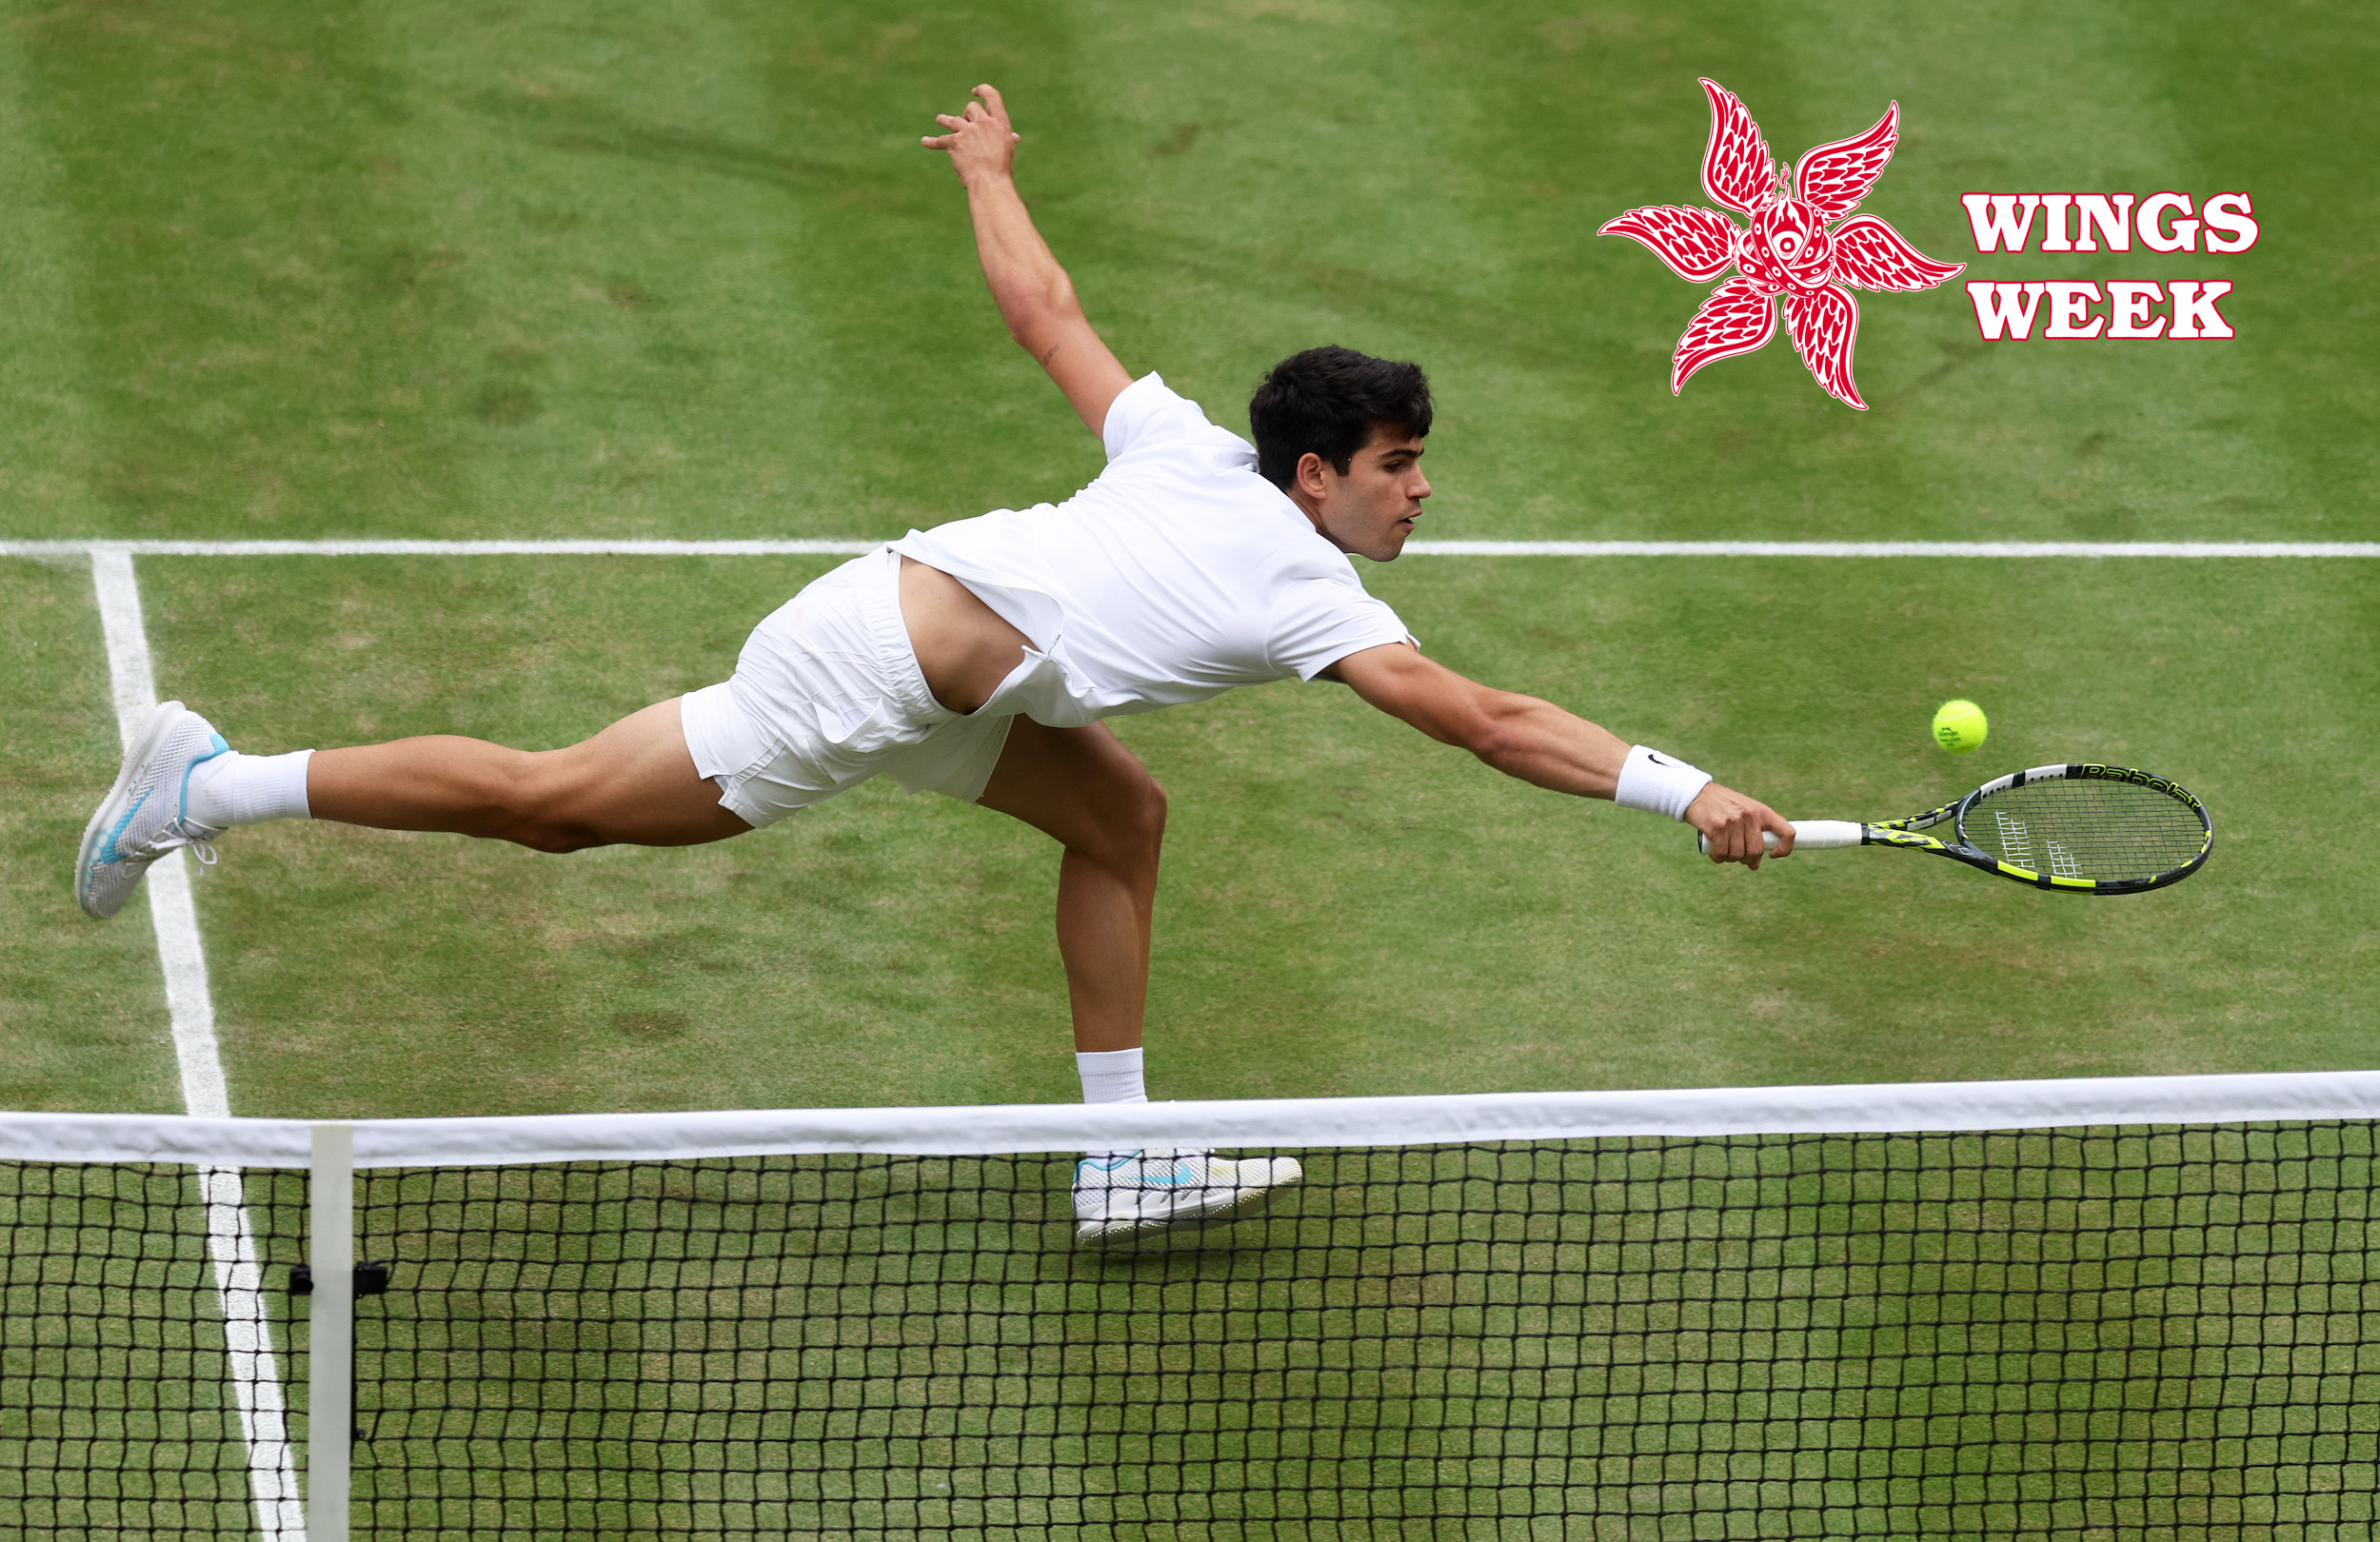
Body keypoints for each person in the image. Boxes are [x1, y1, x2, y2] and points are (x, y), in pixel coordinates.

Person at [74, 85, 1795, 1247]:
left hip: (964, 669)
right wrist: (1684, 787)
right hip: (861, 675)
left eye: (1421, 462)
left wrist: (990, 174)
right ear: (1316, 477)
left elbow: (1051, 315)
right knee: (554, 812)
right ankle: (209, 782)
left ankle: (1116, 1154)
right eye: (1399, 465)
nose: (1422, 491)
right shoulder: (1303, 586)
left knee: (1121, 817)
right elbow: (1482, 722)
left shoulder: (1194, 448)